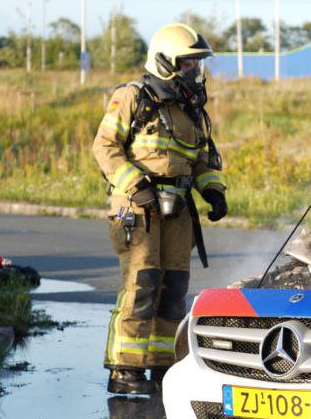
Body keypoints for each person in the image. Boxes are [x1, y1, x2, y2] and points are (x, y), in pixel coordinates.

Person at [92, 22, 227, 395]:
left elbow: (200, 160)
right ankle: (125, 372)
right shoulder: (131, 97)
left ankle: (162, 367)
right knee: (142, 284)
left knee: (173, 288)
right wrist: (137, 186)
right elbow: (104, 147)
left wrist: (214, 191)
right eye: (188, 64)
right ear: (166, 62)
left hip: (177, 207)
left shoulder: (191, 110)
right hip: (134, 206)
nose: (195, 72)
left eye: (197, 65)